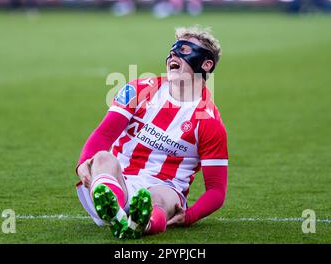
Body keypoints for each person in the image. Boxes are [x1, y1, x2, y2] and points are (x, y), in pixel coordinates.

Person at [75, 26, 229, 239]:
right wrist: (83, 163)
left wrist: (190, 215)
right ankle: (114, 210)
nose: (173, 54)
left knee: (162, 196)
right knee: (102, 158)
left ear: (206, 64)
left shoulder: (209, 122)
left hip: (164, 189)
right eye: (172, 50)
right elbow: (104, 135)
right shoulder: (138, 90)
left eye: (184, 50)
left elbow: (216, 190)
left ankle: (141, 224)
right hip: (119, 179)